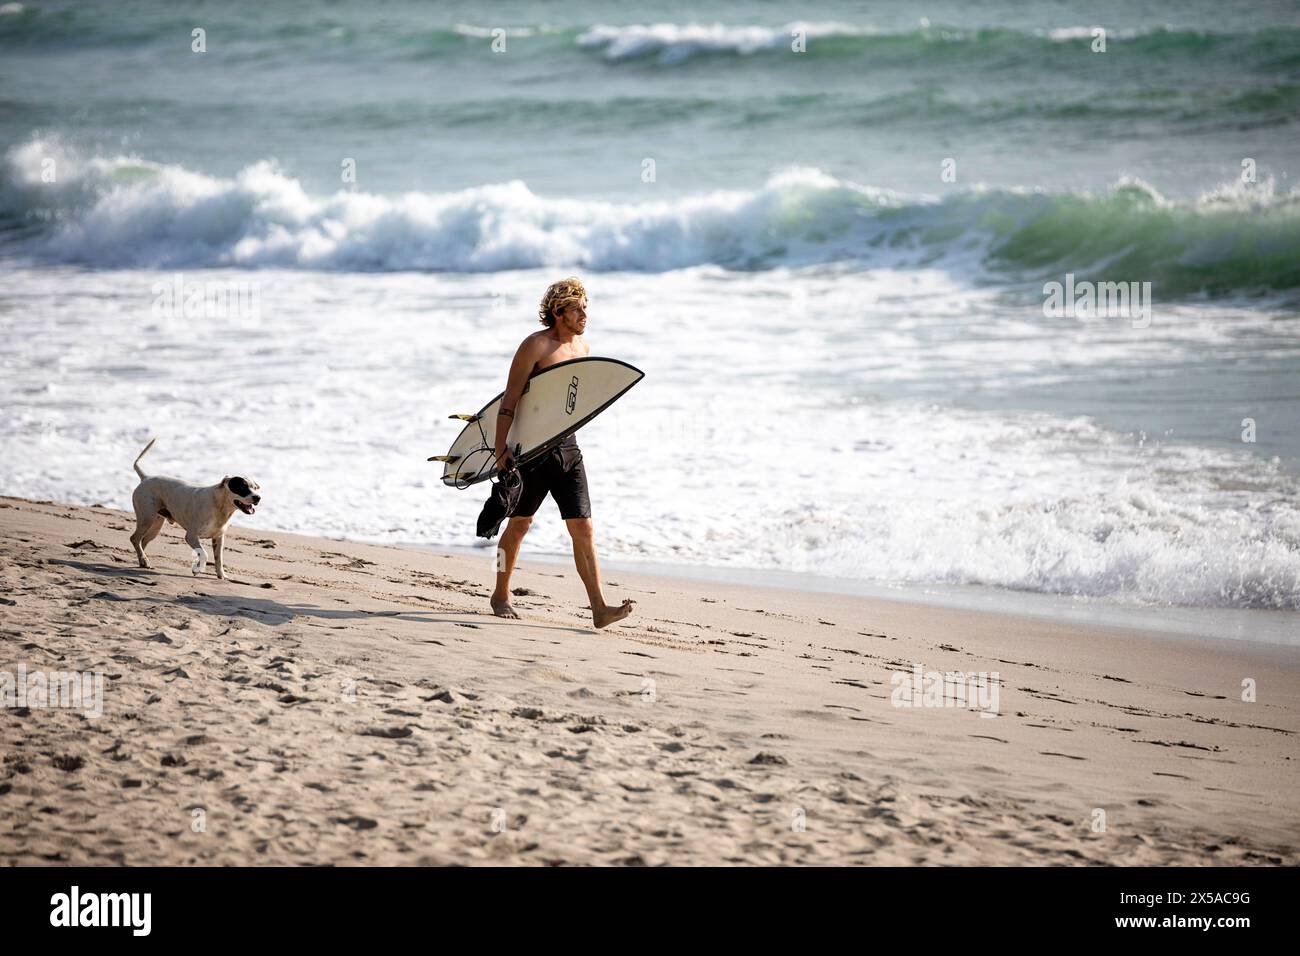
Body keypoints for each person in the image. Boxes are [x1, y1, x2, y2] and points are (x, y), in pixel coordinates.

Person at [488, 277, 636, 629]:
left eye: (586, 306)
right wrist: (500, 448)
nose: (584, 314)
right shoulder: (535, 346)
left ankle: (599, 607)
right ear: (558, 312)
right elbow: (510, 400)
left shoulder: (582, 347)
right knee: (520, 525)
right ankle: (499, 593)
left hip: (568, 449)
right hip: (533, 453)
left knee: (583, 527)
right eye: (577, 308)